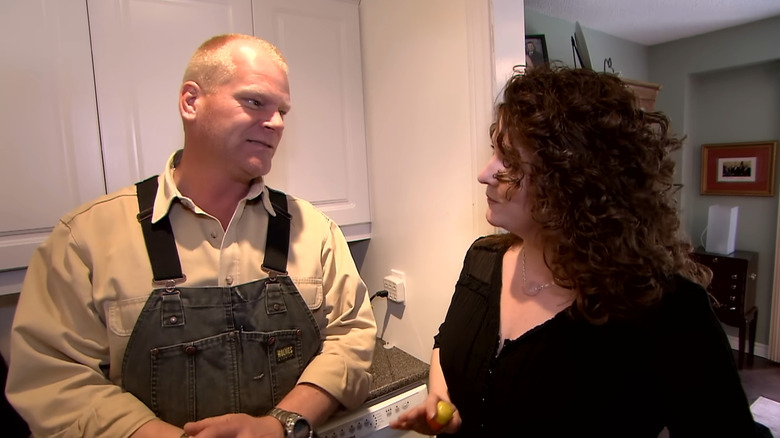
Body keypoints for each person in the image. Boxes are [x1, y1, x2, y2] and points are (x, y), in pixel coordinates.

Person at [5, 33, 377, 438]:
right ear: (191, 102)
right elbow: (54, 380)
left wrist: (278, 425)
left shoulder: (316, 232)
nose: (275, 123)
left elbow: (351, 340)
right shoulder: (84, 241)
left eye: (282, 111)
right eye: (254, 101)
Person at [391, 65, 767, 437]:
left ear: (570, 181)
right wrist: (440, 400)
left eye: (509, 159)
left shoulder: (663, 311)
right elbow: (446, 344)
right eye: (494, 151)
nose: (484, 172)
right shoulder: (482, 260)